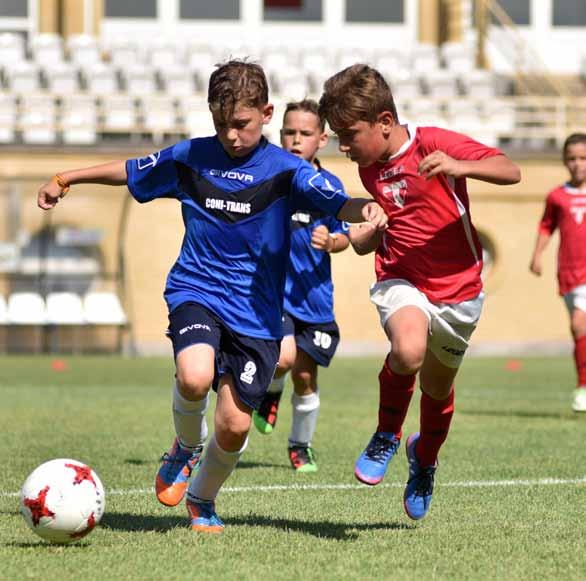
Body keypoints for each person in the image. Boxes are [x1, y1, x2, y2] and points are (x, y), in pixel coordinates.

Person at [37, 60, 387, 534]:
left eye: (240, 124)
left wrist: (363, 209)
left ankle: (202, 496)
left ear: (265, 113)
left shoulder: (288, 171)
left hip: (258, 314)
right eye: (220, 124)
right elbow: (130, 170)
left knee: (235, 426)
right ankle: (184, 446)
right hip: (196, 288)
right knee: (195, 376)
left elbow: (337, 201)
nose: (230, 135)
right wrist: (67, 178)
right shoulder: (191, 157)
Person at [318, 64, 521, 520]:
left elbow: (511, 171)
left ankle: (424, 457)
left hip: (459, 289)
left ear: (385, 122)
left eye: (349, 135)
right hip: (401, 278)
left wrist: (459, 166)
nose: (344, 147)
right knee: (407, 352)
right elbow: (368, 240)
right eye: (338, 138)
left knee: (436, 389)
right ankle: (387, 434)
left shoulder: (433, 143)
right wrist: (365, 230)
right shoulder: (370, 167)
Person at [252, 99, 350, 472]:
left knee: (307, 376)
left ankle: (300, 445)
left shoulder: (329, 186)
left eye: (305, 134)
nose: (296, 140)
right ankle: (270, 392)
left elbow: (345, 237)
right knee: (284, 357)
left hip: (315, 299)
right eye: (289, 132)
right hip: (276, 294)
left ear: (321, 139)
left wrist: (332, 242)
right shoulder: (271, 179)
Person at [529, 133, 586, 413]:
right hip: (570, 273)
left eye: (583, 158)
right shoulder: (557, 196)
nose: (577, 164)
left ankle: (583, 387)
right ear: (565, 161)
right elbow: (546, 226)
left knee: (579, 324)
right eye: (572, 158)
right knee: (578, 328)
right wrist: (537, 255)